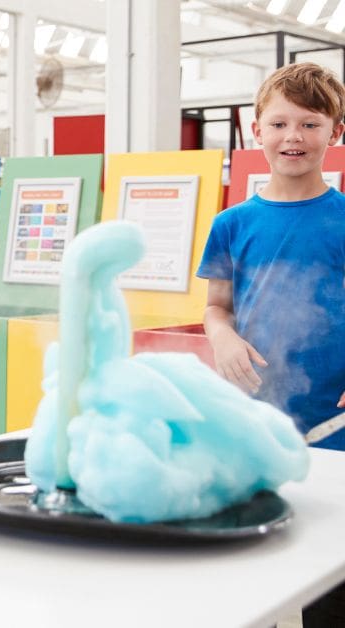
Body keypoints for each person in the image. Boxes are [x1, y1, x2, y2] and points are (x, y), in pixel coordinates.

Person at [196, 62, 345, 628]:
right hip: (257, 422)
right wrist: (223, 337)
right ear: (255, 130)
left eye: (310, 124)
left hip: (336, 427)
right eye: (279, 124)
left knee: (332, 577)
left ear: (336, 132)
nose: (293, 137)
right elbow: (216, 307)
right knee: (256, 572)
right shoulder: (231, 225)